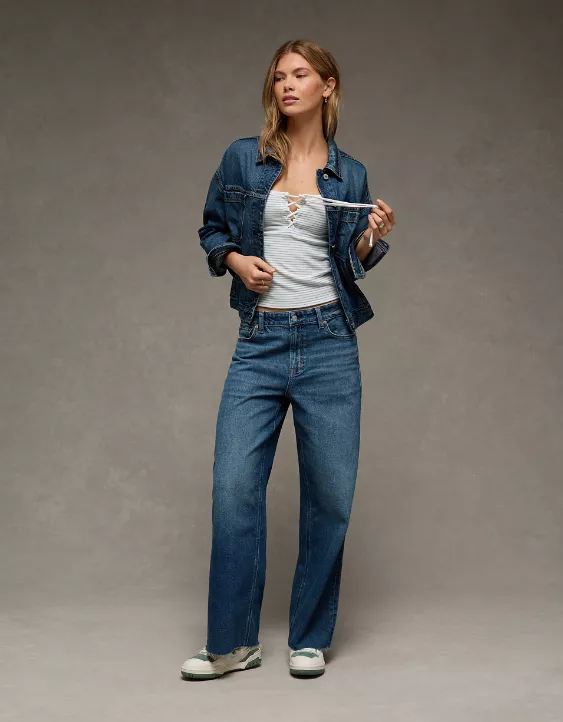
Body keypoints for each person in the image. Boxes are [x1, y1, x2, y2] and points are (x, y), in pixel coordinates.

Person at [181, 39, 395, 681]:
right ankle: (231, 643)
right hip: (260, 343)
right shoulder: (243, 158)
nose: (287, 85)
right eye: (279, 76)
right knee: (233, 489)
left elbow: (349, 264)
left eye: (301, 75)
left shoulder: (350, 175)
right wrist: (235, 260)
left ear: (328, 86)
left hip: (329, 342)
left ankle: (309, 638)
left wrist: (371, 240)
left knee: (330, 497)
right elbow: (212, 228)